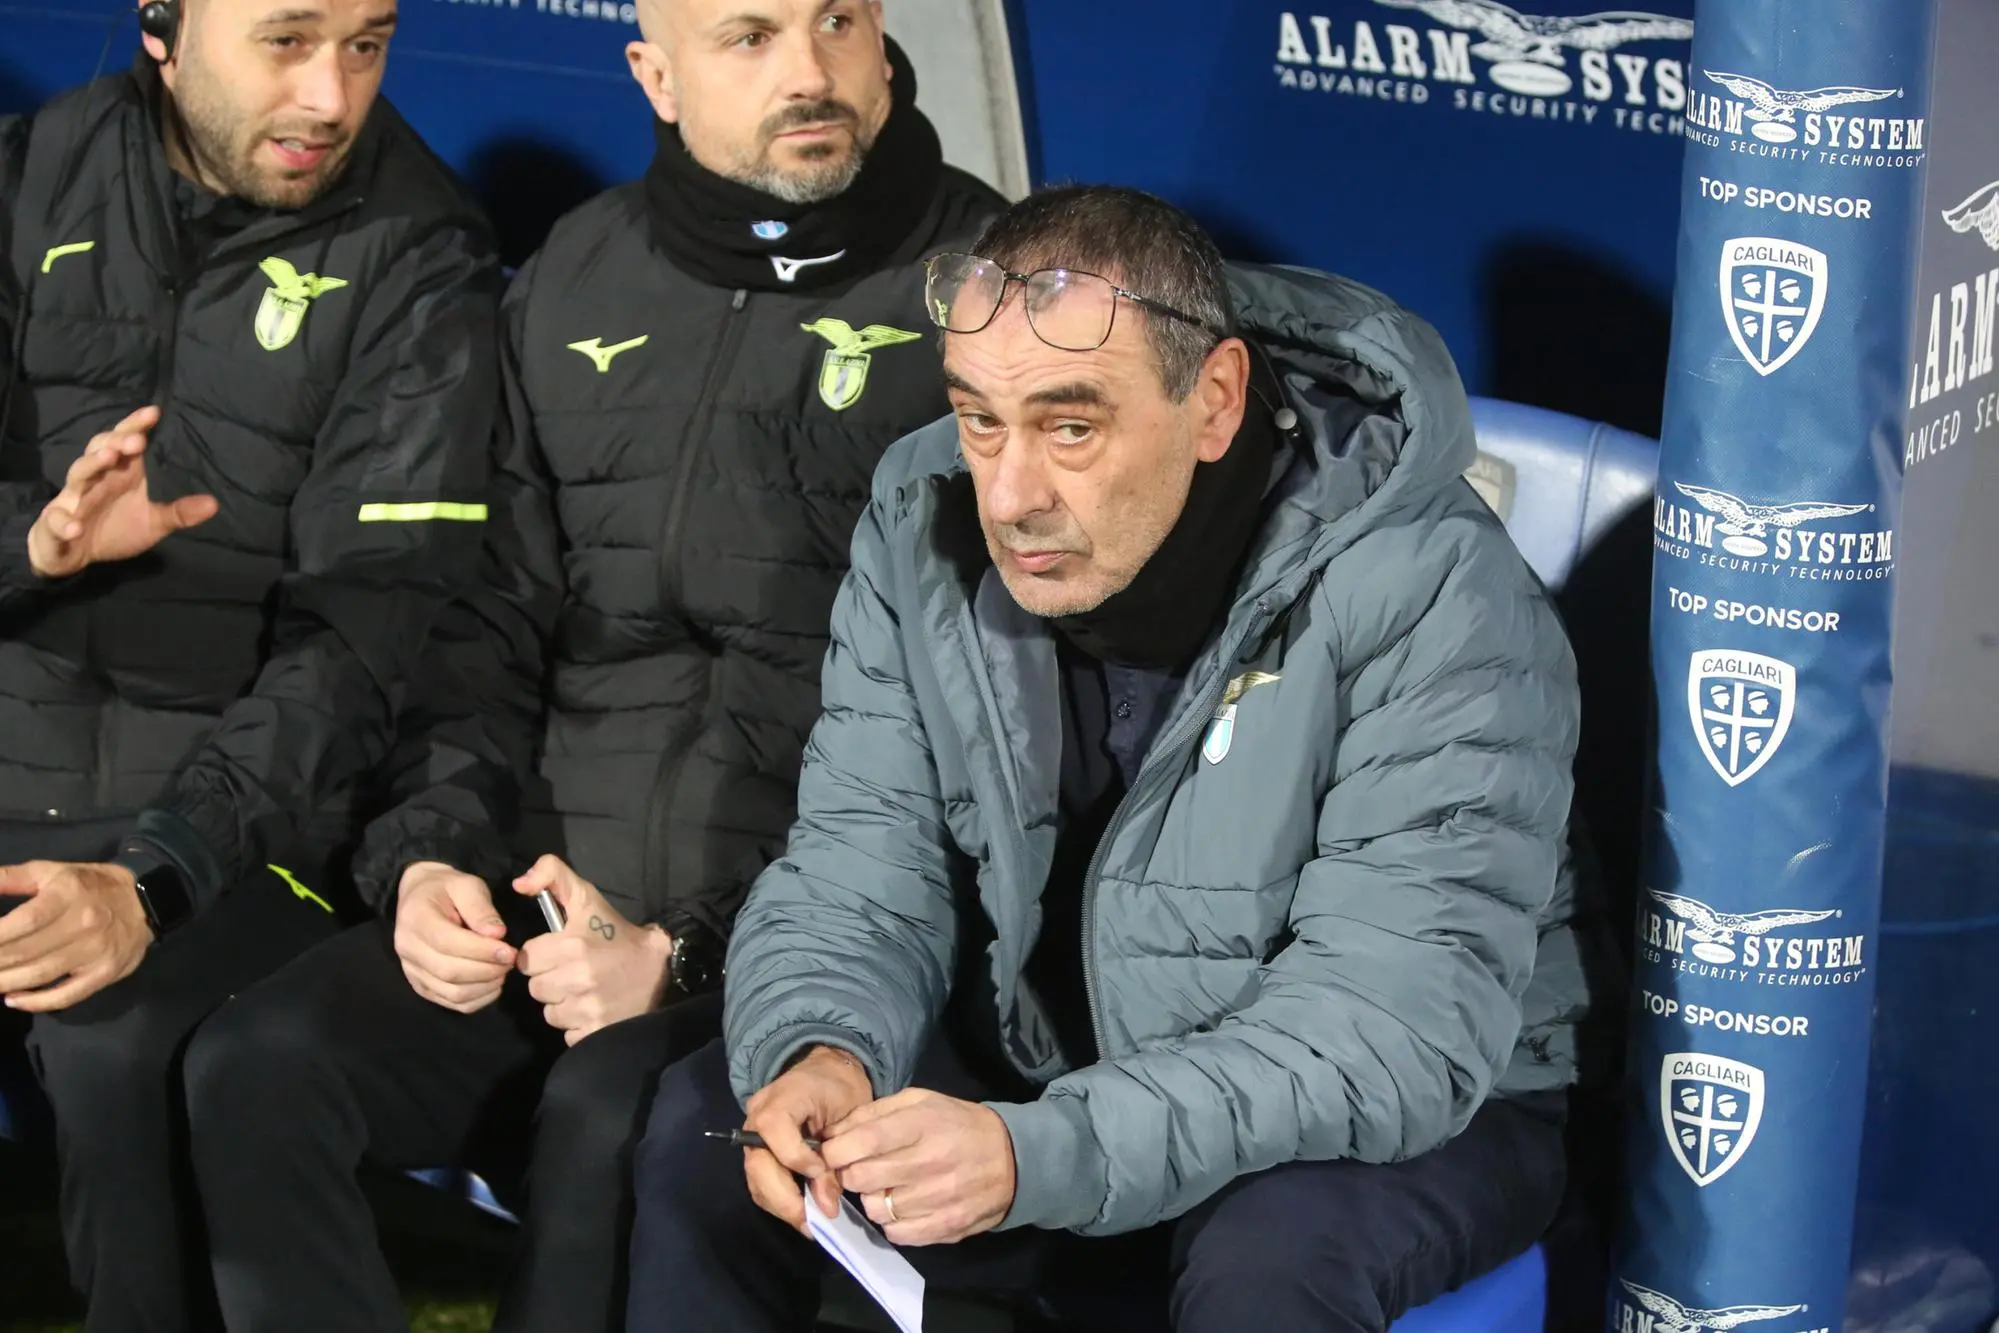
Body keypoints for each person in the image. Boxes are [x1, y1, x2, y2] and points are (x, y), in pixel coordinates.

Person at [626, 185, 1597, 1332]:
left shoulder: (1433, 588)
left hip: (1406, 1105)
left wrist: (1041, 1150)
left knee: (1272, 1260)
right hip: (1059, 1057)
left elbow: (1389, 1030)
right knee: (718, 1126)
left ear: (1215, 402)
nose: (1010, 493)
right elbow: (857, 864)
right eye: (981, 420)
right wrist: (825, 1043)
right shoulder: (920, 512)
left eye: (1070, 427)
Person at [176, 1, 1004, 1329]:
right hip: (549, 904)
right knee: (258, 1064)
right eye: (748, 38)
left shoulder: (993, 293)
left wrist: (681, 958)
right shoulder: (575, 272)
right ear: (653, 76)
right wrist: (432, 856)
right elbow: (489, 618)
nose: (809, 70)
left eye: (836, 20)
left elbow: (982, 737)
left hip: (802, 945)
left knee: (607, 1113)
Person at [0, 0, 501, 1322]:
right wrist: (36, 544)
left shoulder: (423, 257)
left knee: (112, 1047)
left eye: (367, 42)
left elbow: (360, 639)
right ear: (162, 28)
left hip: (236, 817)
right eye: (286, 40)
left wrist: (153, 877)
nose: (332, 96)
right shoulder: (21, 177)